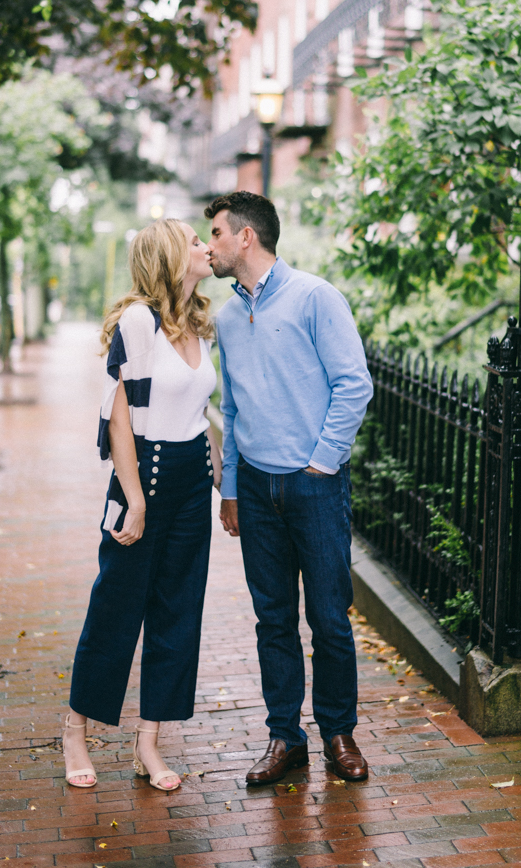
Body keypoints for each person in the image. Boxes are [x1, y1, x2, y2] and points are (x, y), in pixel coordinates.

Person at [206, 191, 373, 784]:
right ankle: (285, 738)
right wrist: (229, 488)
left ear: (246, 237)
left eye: (218, 235)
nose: (211, 247)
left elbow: (354, 385)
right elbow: (230, 407)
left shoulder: (315, 297)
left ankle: (338, 734)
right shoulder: (226, 317)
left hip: (315, 488)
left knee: (329, 618)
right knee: (273, 620)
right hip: (253, 487)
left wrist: (321, 464)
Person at [63, 219, 221, 790]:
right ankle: (75, 730)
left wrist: (221, 485)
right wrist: (134, 500)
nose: (207, 247)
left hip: (189, 483)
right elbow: (121, 415)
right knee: (116, 609)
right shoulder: (139, 320)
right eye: (196, 241)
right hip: (143, 476)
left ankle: (148, 744)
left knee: (178, 615)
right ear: (170, 257)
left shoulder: (200, 323)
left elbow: (199, 417)